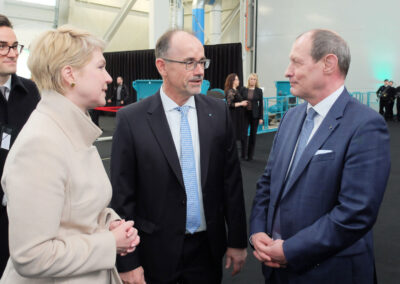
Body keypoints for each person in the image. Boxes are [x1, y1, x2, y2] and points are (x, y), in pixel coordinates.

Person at [0, 26, 140, 283]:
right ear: (69, 74)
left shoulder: (72, 130)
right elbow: (32, 256)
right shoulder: (42, 144)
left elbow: (76, 212)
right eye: (100, 67)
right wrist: (110, 243)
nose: (108, 77)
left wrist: (110, 223)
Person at [249, 29, 390, 283]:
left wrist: (289, 250)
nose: (287, 71)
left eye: (296, 62)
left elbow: (355, 212)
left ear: (329, 64)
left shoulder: (366, 125)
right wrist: (257, 232)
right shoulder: (291, 118)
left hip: (328, 273)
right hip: (275, 270)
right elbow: (268, 183)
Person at [110, 30, 247, 284]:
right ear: (162, 66)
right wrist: (128, 261)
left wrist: (237, 241)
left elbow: (232, 184)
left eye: (202, 62)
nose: (199, 71)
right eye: (189, 63)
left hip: (207, 251)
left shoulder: (217, 113)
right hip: (154, 253)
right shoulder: (132, 119)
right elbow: (122, 198)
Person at [0, 14, 40, 277]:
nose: (12, 53)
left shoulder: (31, 92)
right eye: (3, 46)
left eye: (15, 46)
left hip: (22, 213)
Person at [240, 73, 264, 161]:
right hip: (244, 114)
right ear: (248, 80)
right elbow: (240, 100)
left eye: (254, 79)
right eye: (251, 79)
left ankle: (250, 156)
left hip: (255, 115)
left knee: (253, 135)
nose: (252, 81)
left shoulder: (259, 91)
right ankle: (243, 154)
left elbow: (261, 104)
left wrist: (261, 117)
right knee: (243, 134)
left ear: (256, 81)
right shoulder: (243, 89)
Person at [225, 73, 248, 159]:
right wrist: (241, 103)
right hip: (234, 116)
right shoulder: (230, 91)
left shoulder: (236, 90)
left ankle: (239, 156)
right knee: (233, 136)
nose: (239, 81)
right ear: (233, 81)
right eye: (237, 79)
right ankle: (231, 157)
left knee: (240, 135)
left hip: (239, 116)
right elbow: (229, 104)